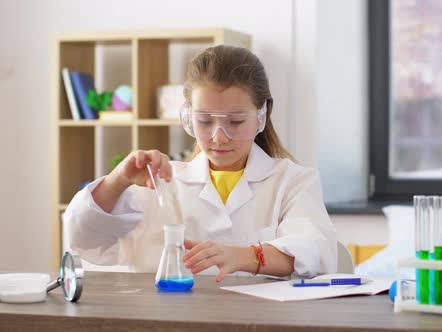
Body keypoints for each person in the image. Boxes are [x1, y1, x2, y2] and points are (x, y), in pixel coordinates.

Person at [64, 45, 337, 282]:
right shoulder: (159, 182)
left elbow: (316, 253)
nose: (219, 137)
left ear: (261, 116)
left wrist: (245, 255)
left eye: (236, 121)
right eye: (205, 121)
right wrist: (118, 179)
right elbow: (83, 240)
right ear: (188, 117)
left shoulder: (292, 182)